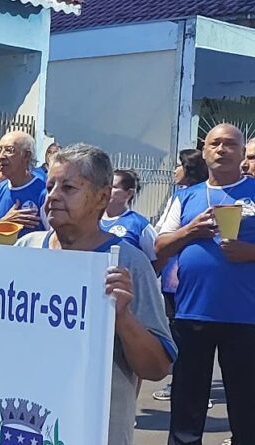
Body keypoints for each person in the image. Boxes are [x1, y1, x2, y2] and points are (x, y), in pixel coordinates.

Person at [16, 143, 174, 445]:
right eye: (50, 187)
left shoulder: (129, 264)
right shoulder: (26, 249)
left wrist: (124, 319)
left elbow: (157, 368)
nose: (52, 196)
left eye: (68, 188)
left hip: (97, 432)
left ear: (102, 197)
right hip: (27, 425)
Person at [156, 123, 255, 445]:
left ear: (242, 153)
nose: (221, 149)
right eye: (215, 144)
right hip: (192, 312)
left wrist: (251, 252)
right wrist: (190, 231)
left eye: (230, 144)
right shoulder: (186, 196)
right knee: (187, 405)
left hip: (246, 316)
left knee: (247, 407)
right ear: (204, 151)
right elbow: (159, 246)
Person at [151, 148, 208, 402]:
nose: (174, 170)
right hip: (174, 275)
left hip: (179, 276)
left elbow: (163, 234)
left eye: (178, 165)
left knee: (183, 335)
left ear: (189, 168)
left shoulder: (188, 196)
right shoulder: (183, 195)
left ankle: (186, 384)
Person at [0, 131, 47, 243]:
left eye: (9, 150)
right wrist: (4, 222)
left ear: (26, 155)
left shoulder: (43, 192)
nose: (1, 156)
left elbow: (56, 238)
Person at [100, 169, 158, 263]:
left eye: (113, 187)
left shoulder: (140, 225)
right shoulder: (92, 219)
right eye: (105, 186)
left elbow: (156, 259)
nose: (106, 191)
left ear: (129, 193)